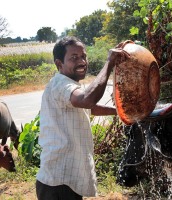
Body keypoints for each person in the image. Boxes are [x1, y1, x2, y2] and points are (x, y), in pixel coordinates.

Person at [36, 36, 130, 200]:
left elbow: (89, 107)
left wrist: (121, 111)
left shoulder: (72, 86)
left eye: (83, 56)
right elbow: (87, 100)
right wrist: (109, 63)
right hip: (57, 183)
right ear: (59, 64)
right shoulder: (60, 84)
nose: (82, 61)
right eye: (74, 58)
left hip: (67, 178)